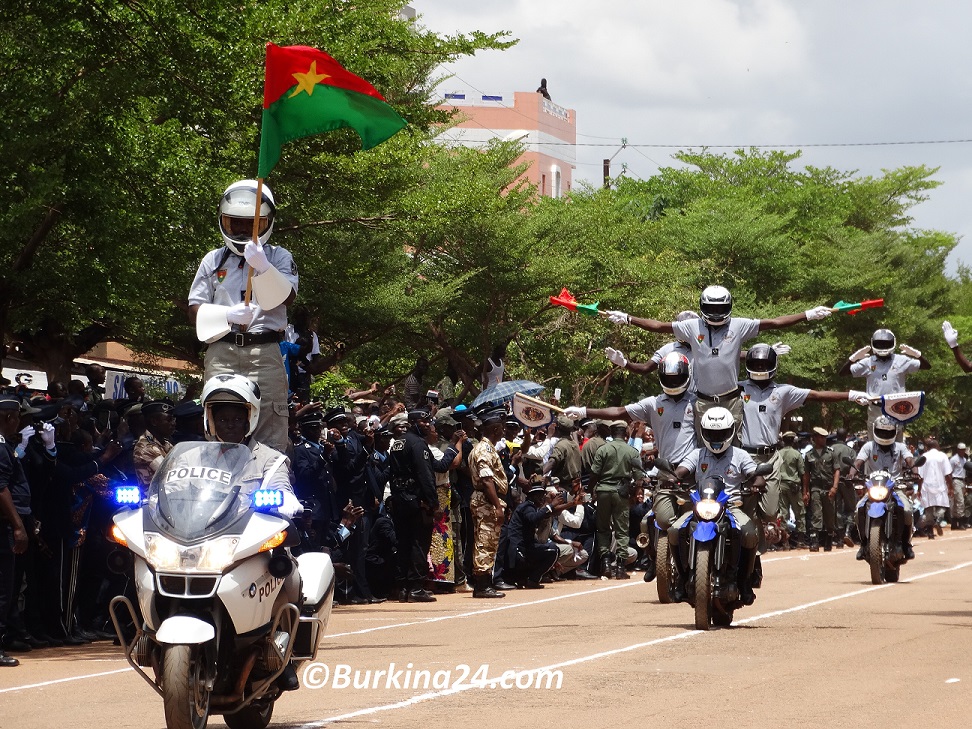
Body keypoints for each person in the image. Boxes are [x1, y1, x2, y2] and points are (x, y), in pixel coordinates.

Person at [605, 285, 833, 433]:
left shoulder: (739, 325)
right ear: (703, 307)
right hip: (700, 400)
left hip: (732, 399)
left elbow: (773, 322)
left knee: (734, 442)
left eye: (720, 308)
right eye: (711, 308)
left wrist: (807, 315)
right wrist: (627, 318)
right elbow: (658, 326)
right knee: (701, 444)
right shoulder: (691, 327)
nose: (715, 313)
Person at [188, 180, 298, 453]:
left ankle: (269, 485)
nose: (241, 230)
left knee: (271, 423)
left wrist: (263, 267)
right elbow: (195, 309)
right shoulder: (212, 260)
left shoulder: (279, 257)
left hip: (265, 353)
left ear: (266, 223)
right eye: (234, 222)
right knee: (219, 421)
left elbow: (287, 298)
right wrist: (227, 314)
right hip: (222, 352)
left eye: (251, 224)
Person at [738, 343, 868, 550]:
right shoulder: (738, 388)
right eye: (756, 364)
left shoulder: (783, 392)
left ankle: (760, 538)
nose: (761, 369)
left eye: (765, 364)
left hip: (770, 459)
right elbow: (719, 362)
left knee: (771, 511)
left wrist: (851, 395)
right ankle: (749, 553)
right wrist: (750, 352)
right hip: (742, 456)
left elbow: (817, 395)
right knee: (740, 510)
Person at [668, 406, 764, 605]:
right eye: (712, 433)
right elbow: (682, 470)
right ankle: (682, 578)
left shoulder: (740, 455)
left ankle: (744, 582)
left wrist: (756, 483)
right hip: (701, 506)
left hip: (731, 507)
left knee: (749, 533)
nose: (716, 437)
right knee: (675, 531)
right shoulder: (697, 454)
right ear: (703, 432)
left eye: (721, 433)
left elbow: (757, 476)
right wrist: (673, 477)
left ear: (731, 432)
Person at [387, 409, 459, 603]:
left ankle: (402, 587)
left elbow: (437, 466)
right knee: (419, 543)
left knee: (404, 542)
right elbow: (425, 476)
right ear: (414, 422)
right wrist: (434, 503)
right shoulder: (418, 444)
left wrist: (452, 448)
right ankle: (416, 587)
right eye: (425, 421)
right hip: (416, 501)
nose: (428, 425)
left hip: (400, 498)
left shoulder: (398, 442)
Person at [848, 416, 916, 561]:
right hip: (874, 486)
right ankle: (864, 543)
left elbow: (909, 459)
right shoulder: (868, 447)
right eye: (881, 432)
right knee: (859, 508)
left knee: (907, 510)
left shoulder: (900, 447)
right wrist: (851, 473)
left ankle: (904, 544)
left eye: (888, 432)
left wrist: (915, 472)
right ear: (875, 431)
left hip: (895, 486)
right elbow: (858, 462)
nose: (884, 435)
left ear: (894, 432)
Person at [838, 328, 929, 436]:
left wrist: (917, 355)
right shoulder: (868, 362)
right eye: (879, 344)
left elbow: (926, 366)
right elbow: (843, 373)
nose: (882, 347)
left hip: (896, 408)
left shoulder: (901, 360)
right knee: (874, 442)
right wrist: (852, 359)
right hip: (875, 408)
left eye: (885, 344)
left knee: (897, 444)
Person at [589, 420, 645, 579]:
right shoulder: (632, 451)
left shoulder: (603, 449)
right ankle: (620, 567)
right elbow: (639, 478)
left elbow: (594, 474)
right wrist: (636, 492)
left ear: (612, 433)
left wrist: (589, 490)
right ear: (626, 434)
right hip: (622, 493)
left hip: (603, 491)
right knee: (622, 530)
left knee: (603, 529)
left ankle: (606, 563)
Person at [0, 397, 32, 667]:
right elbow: (1, 488)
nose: (19, 422)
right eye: (17, 416)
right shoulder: (0, 447)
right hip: (3, 527)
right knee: (3, 588)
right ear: (8, 417)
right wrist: (17, 525)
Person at [468, 406, 511, 598]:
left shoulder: (488, 448)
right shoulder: (484, 449)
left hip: (489, 500)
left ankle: (485, 583)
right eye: (501, 427)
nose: (503, 431)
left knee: (489, 541)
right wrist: (496, 506)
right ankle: (482, 585)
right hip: (486, 501)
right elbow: (486, 479)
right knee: (485, 542)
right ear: (495, 430)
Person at [505, 481, 560, 588]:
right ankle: (532, 580)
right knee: (553, 550)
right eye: (538, 495)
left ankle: (524, 579)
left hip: (522, 548)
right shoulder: (527, 507)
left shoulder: (531, 507)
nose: (541, 498)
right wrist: (551, 505)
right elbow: (533, 518)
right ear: (532, 496)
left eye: (542, 495)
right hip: (518, 550)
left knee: (546, 550)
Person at [802, 427, 841, 552]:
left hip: (829, 488)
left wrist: (835, 487)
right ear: (815, 438)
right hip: (816, 488)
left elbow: (837, 471)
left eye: (825, 437)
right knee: (816, 514)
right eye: (821, 437)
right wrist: (805, 492)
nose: (824, 439)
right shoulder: (809, 455)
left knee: (829, 515)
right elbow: (806, 475)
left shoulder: (831, 453)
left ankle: (829, 540)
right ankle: (814, 542)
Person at [132, 400, 175, 489]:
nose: (173, 423)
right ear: (154, 422)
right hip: (152, 500)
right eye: (169, 420)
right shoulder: (146, 448)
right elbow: (172, 475)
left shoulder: (165, 443)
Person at [916, 438, 952, 538]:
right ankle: (937, 520)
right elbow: (948, 474)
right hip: (940, 486)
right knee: (942, 507)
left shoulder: (924, 456)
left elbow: (920, 476)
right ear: (937, 446)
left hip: (927, 486)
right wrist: (951, 487)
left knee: (928, 510)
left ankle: (930, 533)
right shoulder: (942, 456)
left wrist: (919, 490)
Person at [777, 432, 807, 546]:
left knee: (783, 513)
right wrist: (805, 491)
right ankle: (800, 541)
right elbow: (803, 473)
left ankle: (785, 542)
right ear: (793, 440)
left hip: (781, 485)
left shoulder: (778, 454)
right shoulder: (796, 454)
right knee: (799, 512)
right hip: (794, 486)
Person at [949, 442, 969, 529]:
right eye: (961, 450)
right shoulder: (953, 459)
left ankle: (955, 522)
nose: (962, 451)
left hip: (962, 481)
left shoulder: (964, 460)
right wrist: (950, 485)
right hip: (955, 480)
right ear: (958, 450)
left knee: (959, 501)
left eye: (963, 450)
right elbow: (949, 472)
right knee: (959, 501)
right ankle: (959, 522)